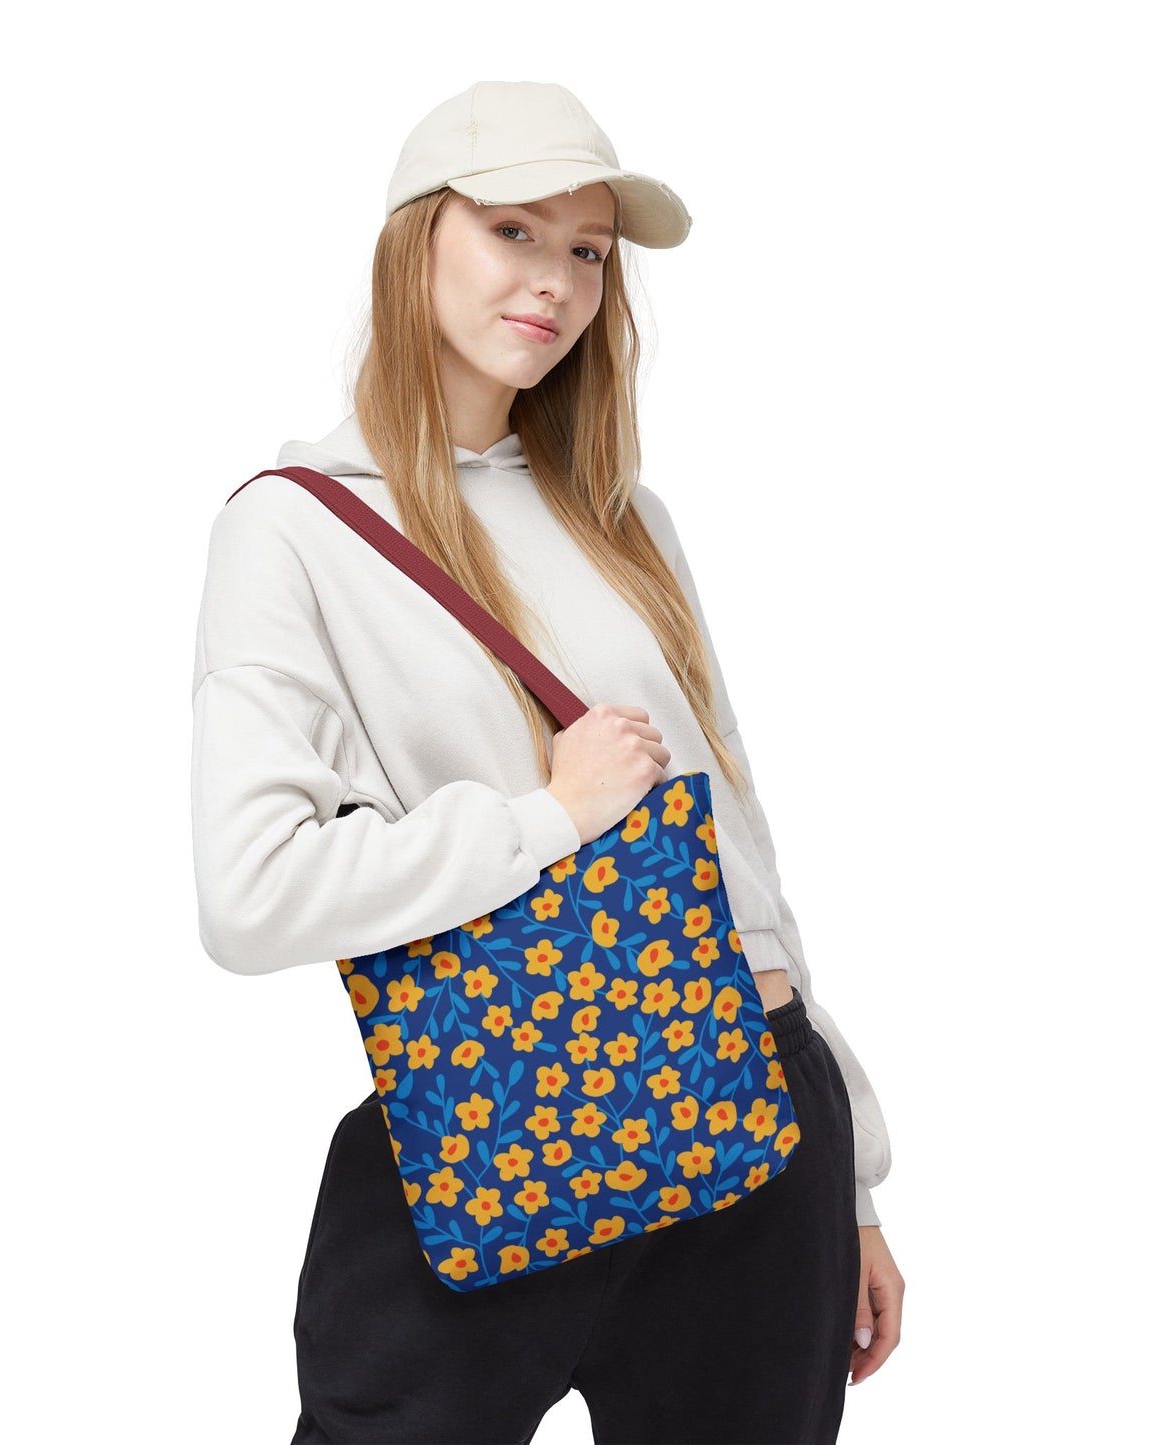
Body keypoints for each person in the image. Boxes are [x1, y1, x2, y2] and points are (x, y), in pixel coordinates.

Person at [191, 80, 904, 1445]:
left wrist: (855, 1179)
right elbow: (251, 893)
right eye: (513, 230)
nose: (557, 283)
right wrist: (549, 816)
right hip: (487, 1127)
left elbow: (736, 858)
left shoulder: (624, 518)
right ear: (416, 241)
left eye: (587, 250)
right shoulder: (295, 531)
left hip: (755, 1123)